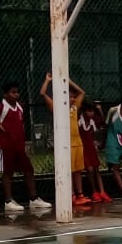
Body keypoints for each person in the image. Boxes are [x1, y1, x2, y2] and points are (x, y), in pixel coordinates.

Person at [0, 80, 51, 213]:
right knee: (7, 172)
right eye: (13, 92)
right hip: (4, 146)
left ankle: (34, 199)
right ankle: (8, 201)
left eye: (17, 92)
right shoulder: (0, 107)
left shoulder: (20, 107)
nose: (16, 95)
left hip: (19, 147)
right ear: (5, 94)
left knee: (29, 169)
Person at [41, 73, 91, 205]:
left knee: (78, 171)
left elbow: (82, 92)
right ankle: (71, 195)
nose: (73, 99)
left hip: (77, 144)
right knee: (68, 171)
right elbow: (42, 94)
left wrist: (69, 81)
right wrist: (48, 81)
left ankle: (80, 195)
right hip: (65, 145)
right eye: (70, 97)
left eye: (73, 97)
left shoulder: (74, 108)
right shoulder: (57, 108)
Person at [77, 100, 110, 202]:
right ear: (83, 111)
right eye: (89, 111)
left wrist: (99, 110)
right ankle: (94, 191)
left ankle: (102, 191)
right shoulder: (79, 121)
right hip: (83, 148)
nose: (91, 113)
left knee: (96, 169)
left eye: (92, 111)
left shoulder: (93, 121)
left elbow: (103, 122)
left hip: (91, 147)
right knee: (90, 169)